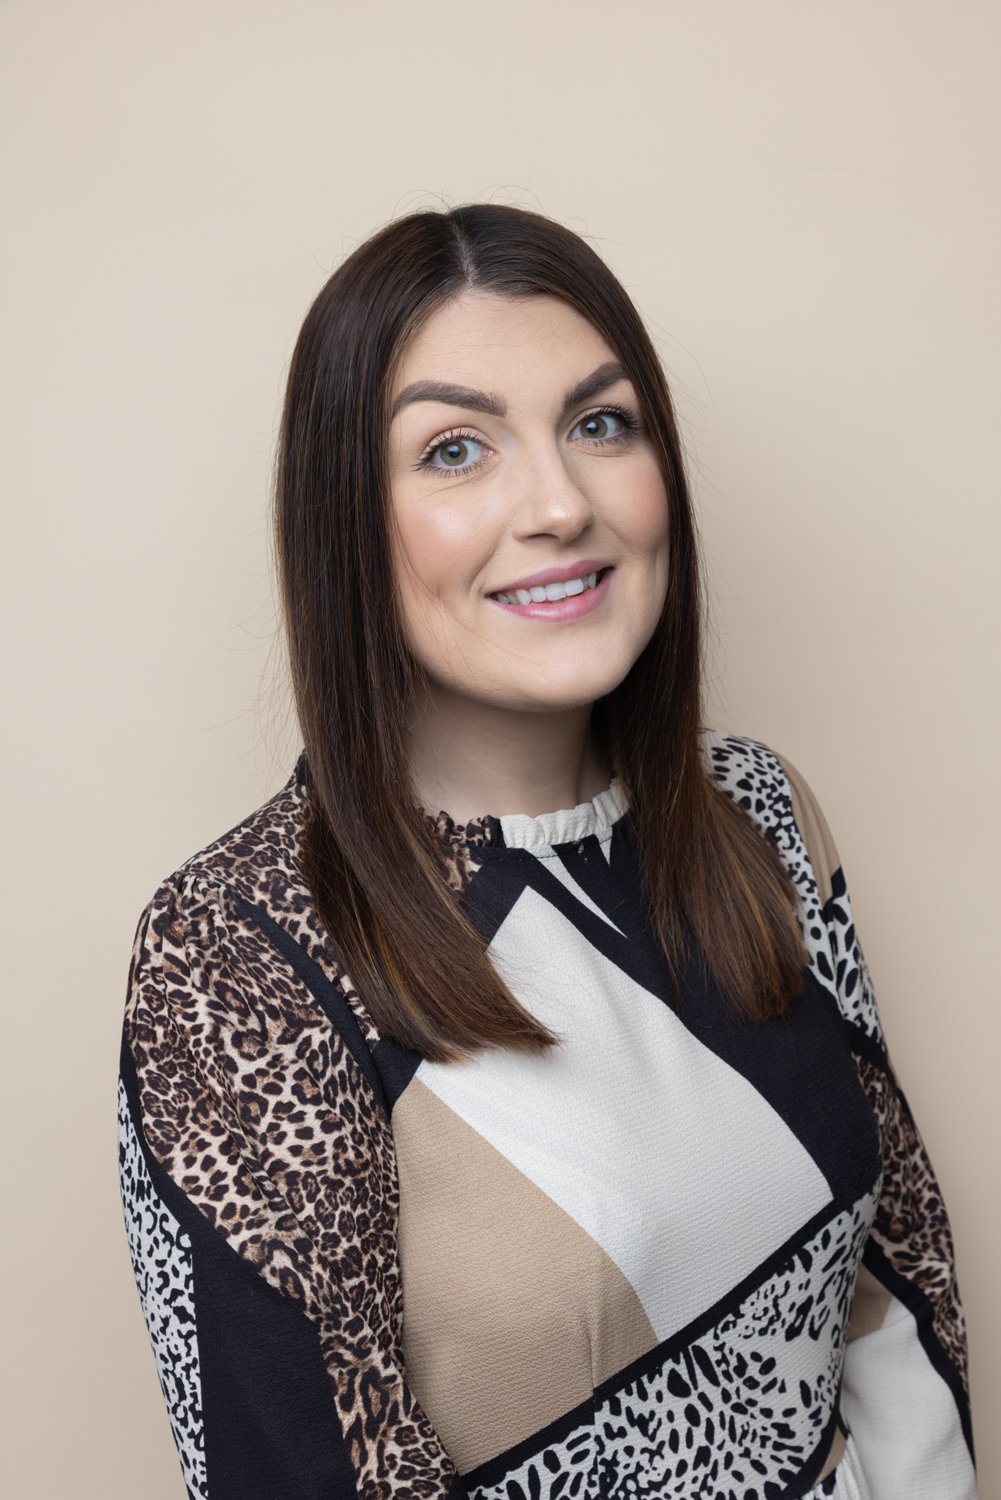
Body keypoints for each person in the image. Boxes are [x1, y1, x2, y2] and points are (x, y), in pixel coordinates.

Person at [116, 203, 978, 1500]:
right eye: (455, 449)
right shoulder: (234, 956)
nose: (561, 503)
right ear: (344, 521)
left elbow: (892, 1277)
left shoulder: (757, 811)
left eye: (600, 424)